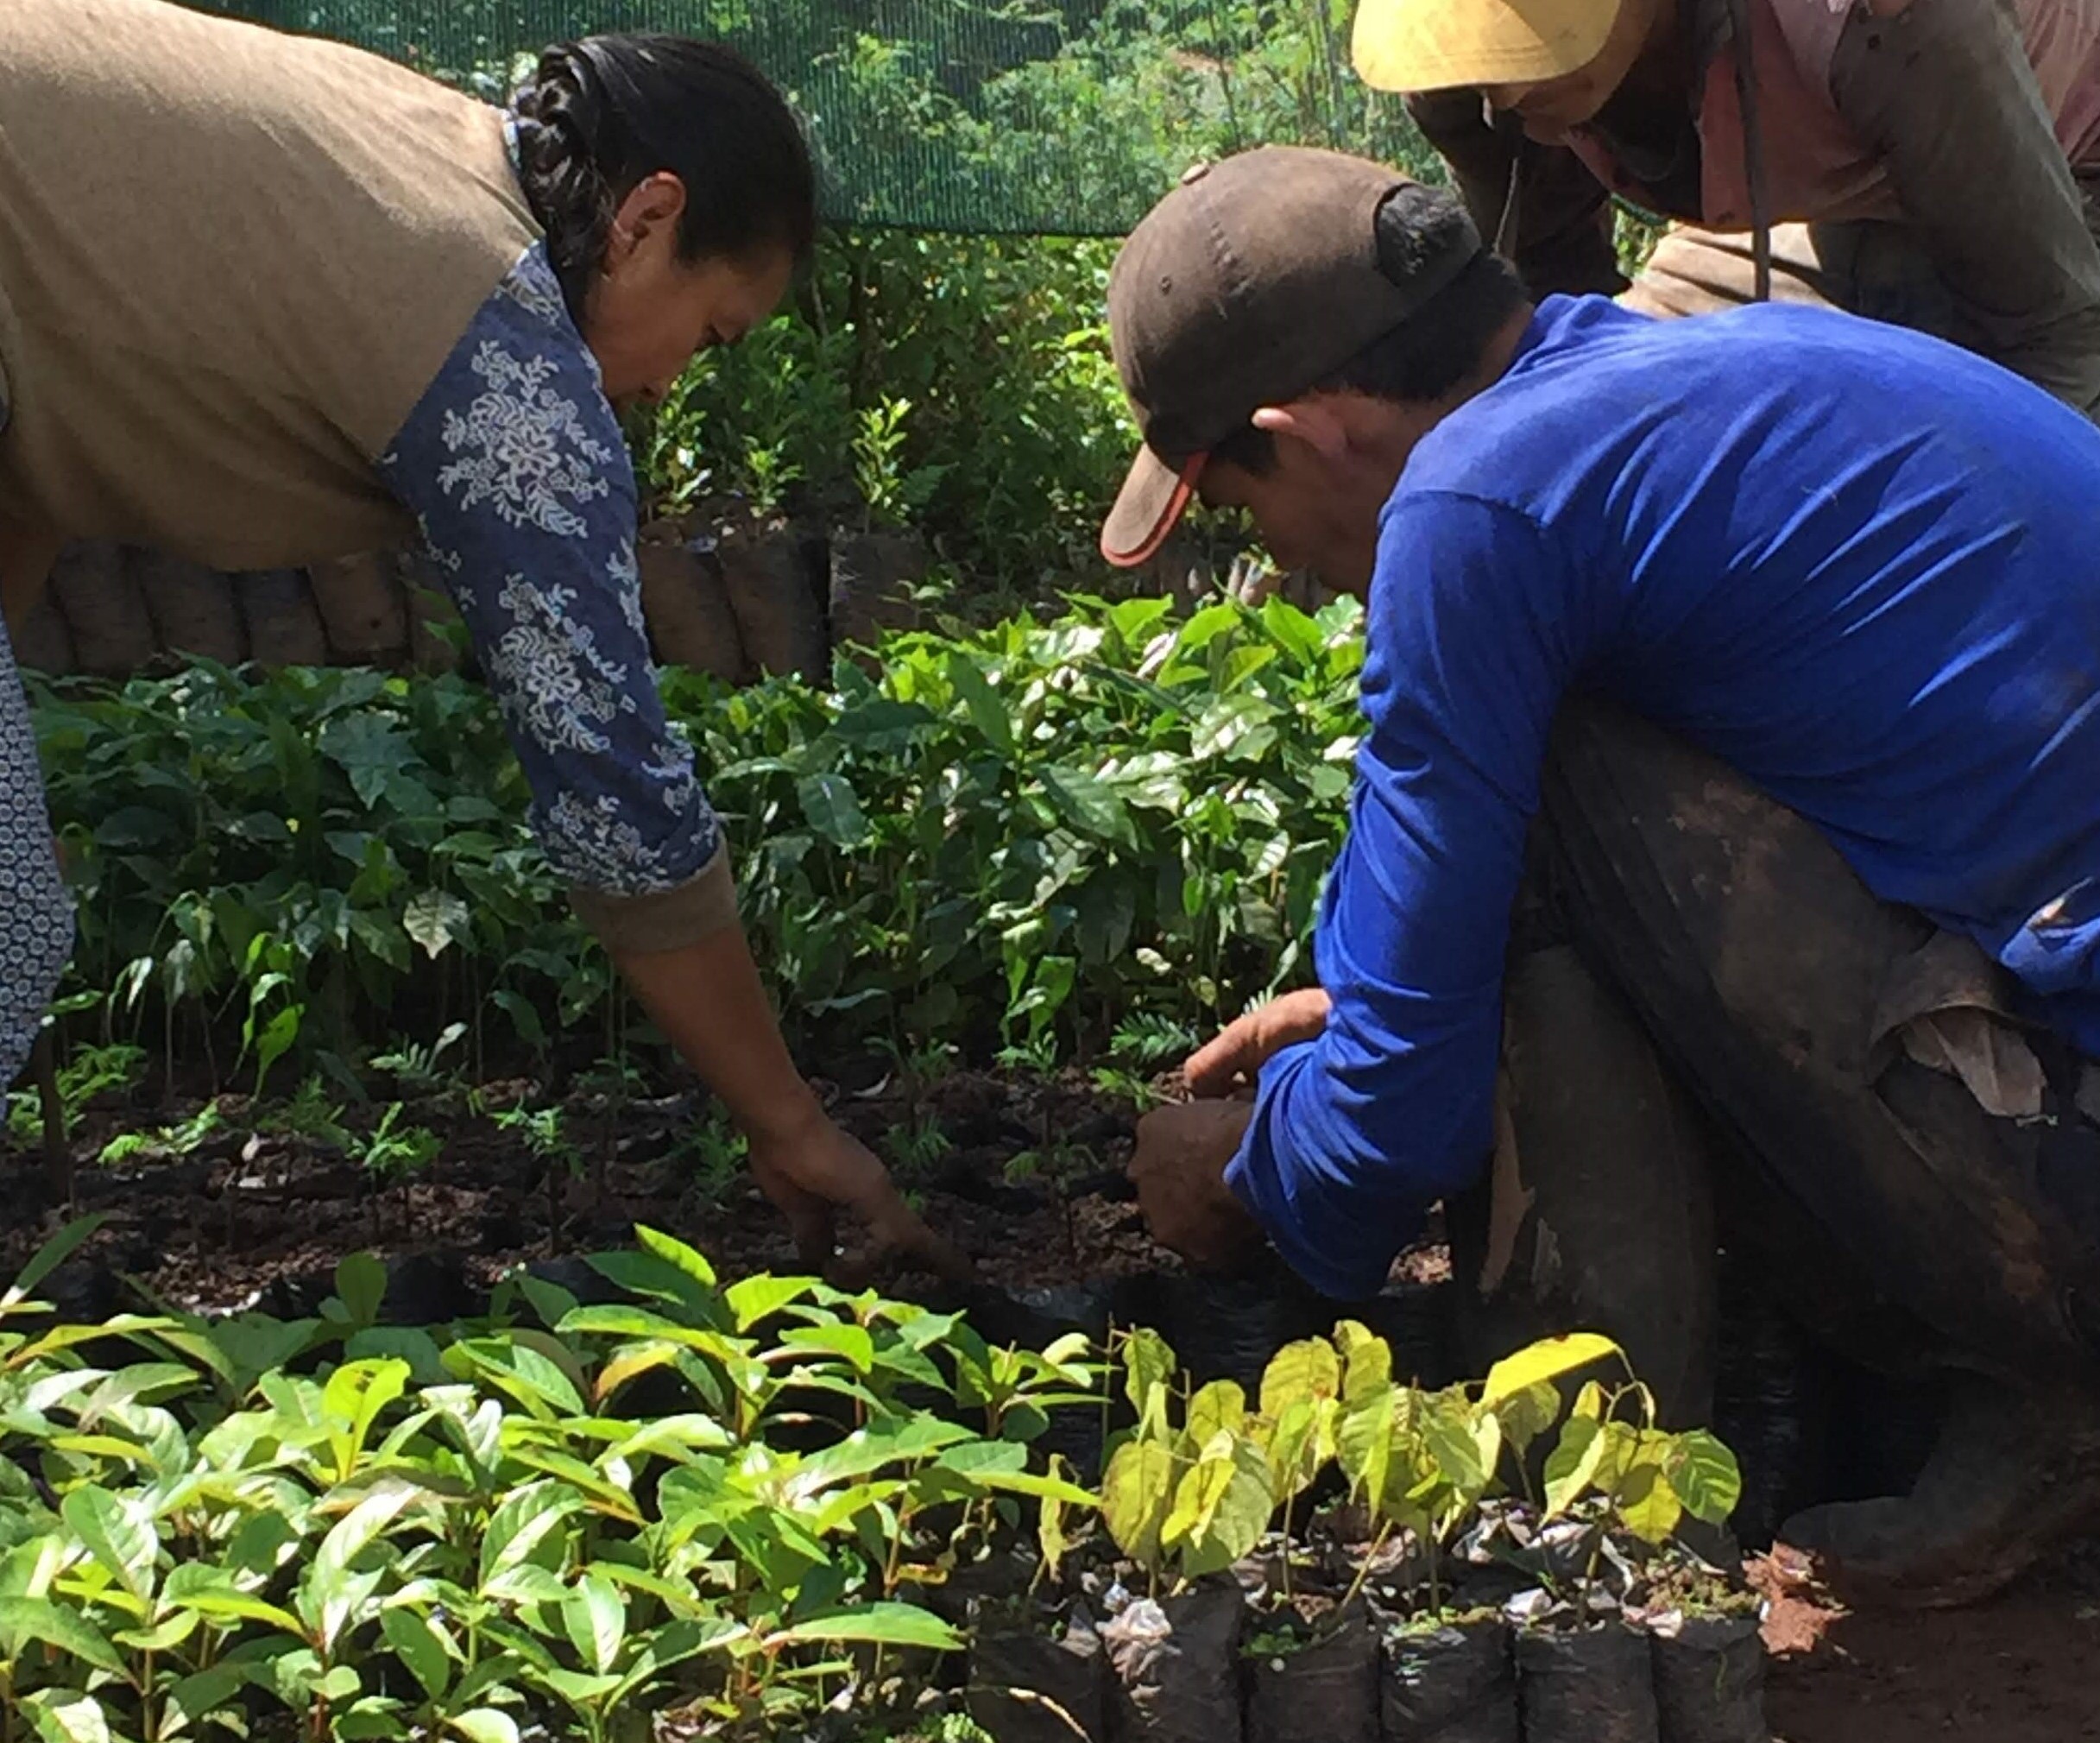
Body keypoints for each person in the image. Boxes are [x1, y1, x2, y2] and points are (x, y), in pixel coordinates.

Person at [1100, 143, 2100, 1605]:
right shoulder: (1711, 377)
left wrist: (1246, 1168)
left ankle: (1602, 1502)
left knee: (1552, 788)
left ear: (1301, 431)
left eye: (1244, 512)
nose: (1291, 567)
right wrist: (1371, 1001)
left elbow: (1395, 1116)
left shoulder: (1474, 502)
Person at [0, 0, 960, 1279]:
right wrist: (789, 1124)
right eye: (712, 332)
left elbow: (38, 437)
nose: (677, 379)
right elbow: (613, 789)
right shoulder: (499, 344)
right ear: (648, 219)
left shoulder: (422, 161)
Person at [1349, 0, 2100, 414]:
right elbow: (1557, 309)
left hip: (2061, 189)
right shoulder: (1459, 79)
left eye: (1532, 56)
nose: (1500, 100)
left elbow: (2057, 334)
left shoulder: (1892, 23)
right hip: (1828, 210)